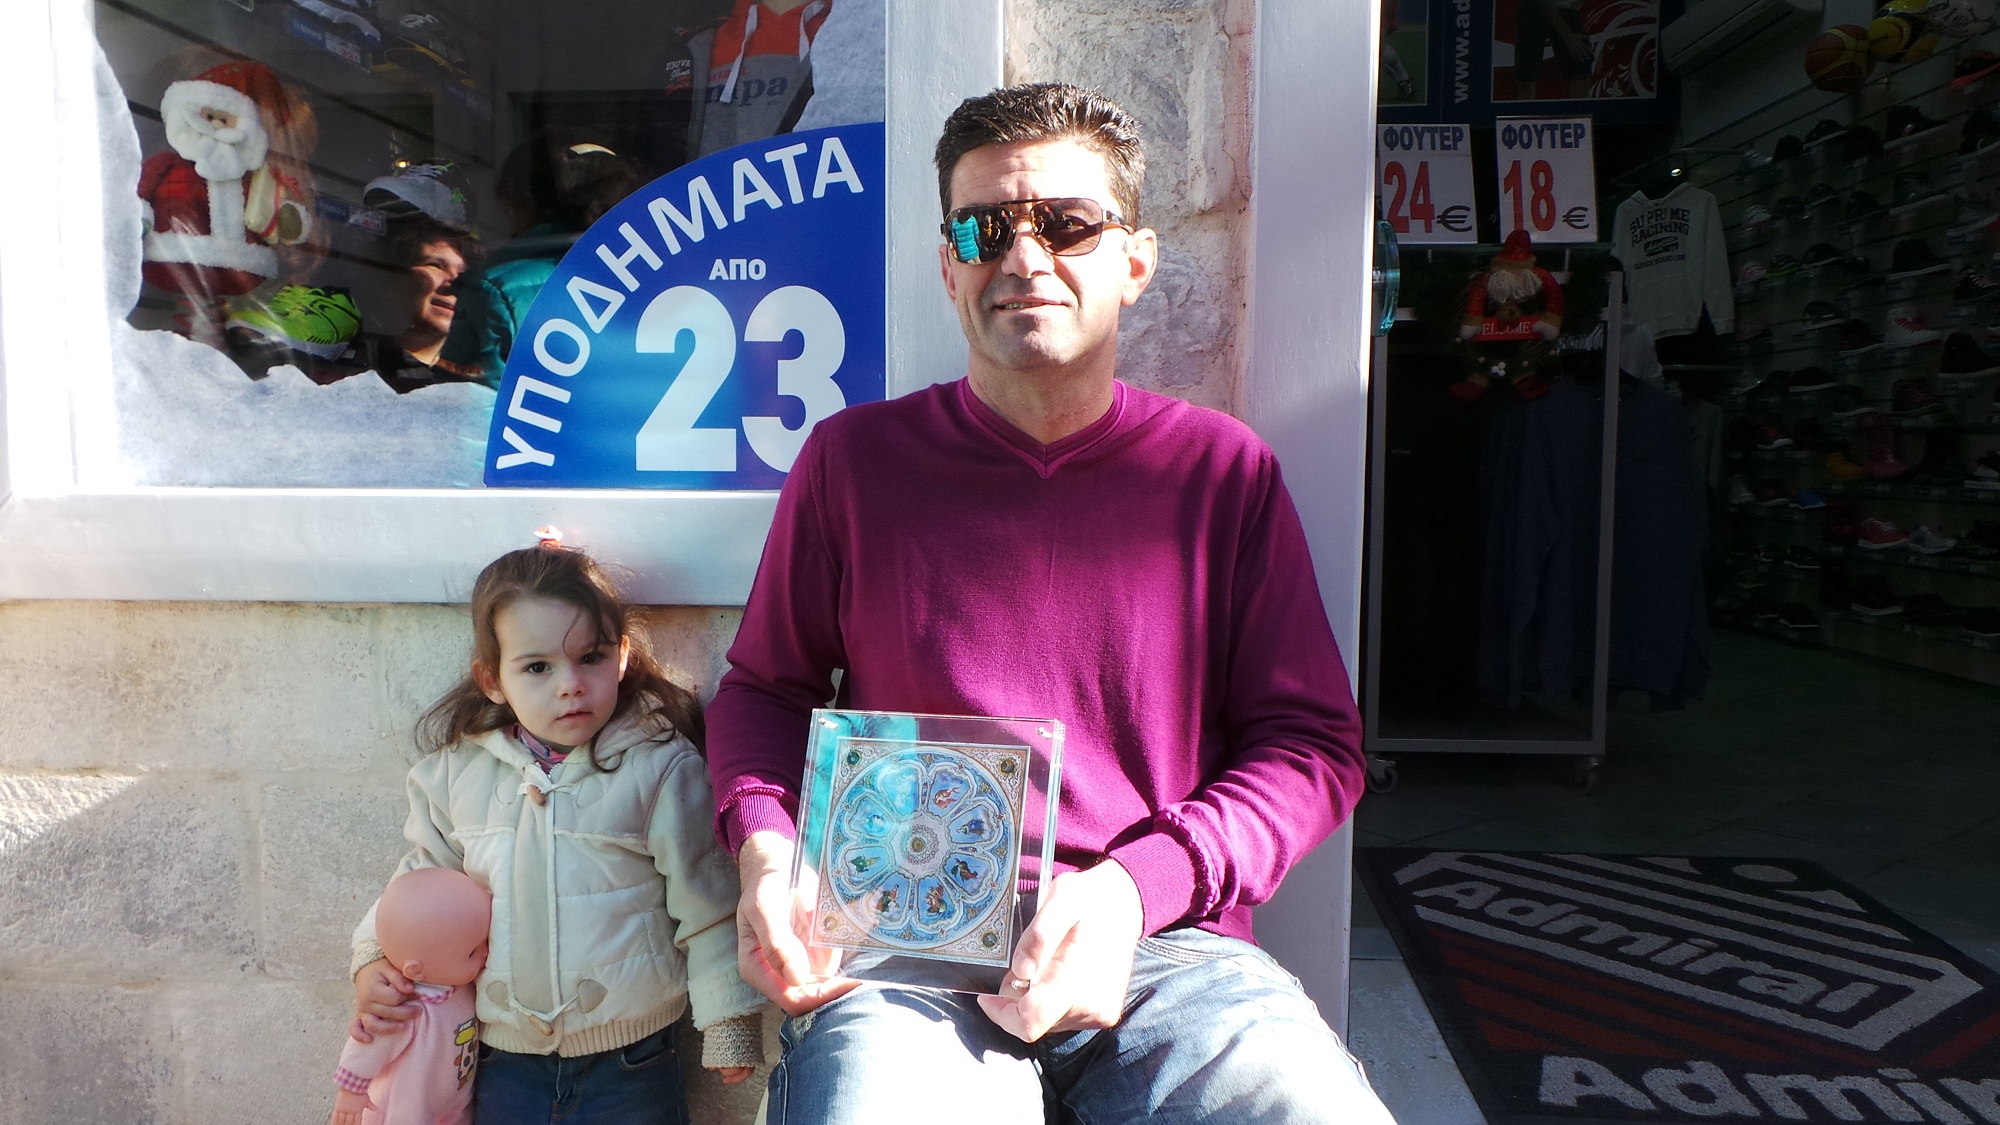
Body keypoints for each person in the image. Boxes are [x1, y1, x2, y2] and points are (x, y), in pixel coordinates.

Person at [705, 83, 1395, 1124]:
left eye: (1067, 224)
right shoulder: (853, 463)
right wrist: (766, 849)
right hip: (906, 947)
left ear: (1134, 261)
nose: (1024, 257)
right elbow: (764, 691)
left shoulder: (1220, 474)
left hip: (1164, 946)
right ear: (948, 266)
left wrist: (1134, 887)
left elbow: (1311, 748)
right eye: (983, 229)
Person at [348, 532, 765, 1125]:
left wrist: (728, 1019)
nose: (569, 684)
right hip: (501, 1059)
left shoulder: (657, 768)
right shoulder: (456, 777)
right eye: (538, 667)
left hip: (633, 1060)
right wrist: (375, 960)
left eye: (590, 658)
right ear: (493, 679)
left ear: (621, 656)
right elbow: (417, 884)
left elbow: (708, 902)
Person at [330, 868, 488, 1125]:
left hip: (456, 1098)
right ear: (416, 970)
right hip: (409, 1106)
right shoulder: (404, 1005)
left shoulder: (463, 987)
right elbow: (367, 1043)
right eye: (472, 952)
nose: (485, 953)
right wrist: (351, 1092)